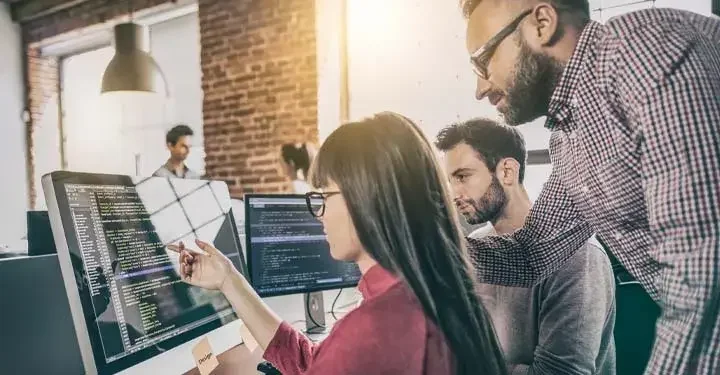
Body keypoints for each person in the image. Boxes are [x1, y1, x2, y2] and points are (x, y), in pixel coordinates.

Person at [459, 0, 720, 373]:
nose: (480, 88)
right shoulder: (570, 140)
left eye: (482, 60)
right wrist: (424, 247)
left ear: (543, 22)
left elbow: (705, 280)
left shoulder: (650, 55)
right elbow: (533, 254)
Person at [169, 112, 507, 375]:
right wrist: (229, 279)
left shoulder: (374, 328)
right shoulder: (444, 294)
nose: (318, 215)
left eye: (323, 197)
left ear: (366, 198)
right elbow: (313, 363)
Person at [436, 118, 616, 374]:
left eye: (463, 176)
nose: (454, 193)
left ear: (507, 172)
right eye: (450, 181)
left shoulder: (578, 255)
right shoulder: (476, 245)